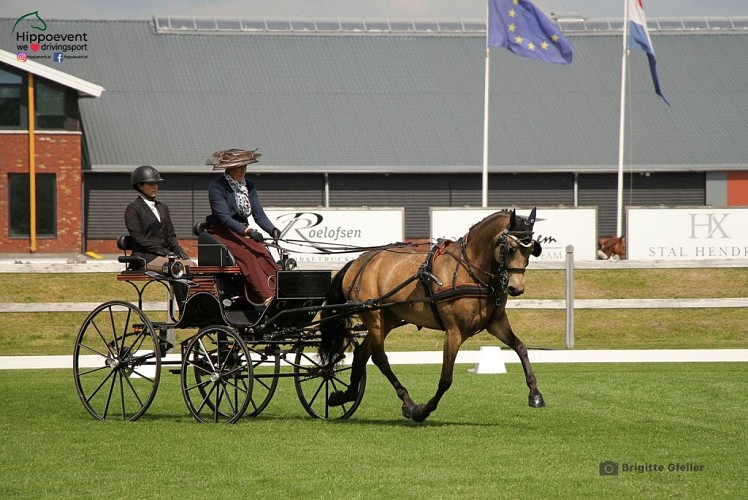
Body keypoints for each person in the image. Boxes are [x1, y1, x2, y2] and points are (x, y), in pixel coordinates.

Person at [205, 148, 281, 305]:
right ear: (229, 168)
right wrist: (247, 231)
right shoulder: (217, 187)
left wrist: (272, 229)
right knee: (249, 257)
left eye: (244, 167)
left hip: (243, 232)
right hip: (222, 232)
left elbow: (259, 215)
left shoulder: (250, 186)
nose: (242, 171)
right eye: (238, 167)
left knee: (263, 253)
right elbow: (224, 217)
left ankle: (279, 292)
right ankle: (265, 296)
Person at [124, 165, 195, 274]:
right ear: (140, 186)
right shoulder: (133, 209)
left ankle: (187, 291)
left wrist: (179, 251)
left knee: (192, 266)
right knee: (179, 267)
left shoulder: (163, 207)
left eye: (156, 184)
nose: (155, 187)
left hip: (167, 256)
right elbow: (138, 237)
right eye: (151, 184)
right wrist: (164, 252)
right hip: (145, 257)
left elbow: (170, 235)